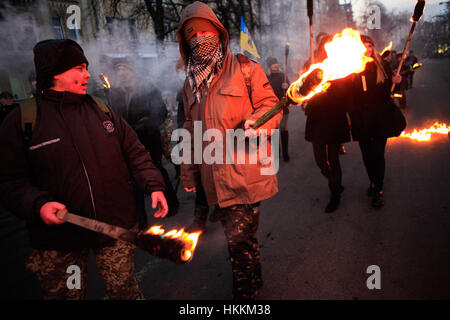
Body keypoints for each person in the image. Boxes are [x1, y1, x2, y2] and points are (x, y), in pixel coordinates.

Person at [0, 39, 168, 300]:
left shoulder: (102, 112)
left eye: (86, 67)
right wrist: (38, 204)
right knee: (70, 296)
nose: (87, 74)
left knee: (125, 292)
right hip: (61, 240)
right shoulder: (23, 122)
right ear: (55, 73)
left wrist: (153, 185)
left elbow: (135, 152)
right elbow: (9, 180)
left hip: (114, 228)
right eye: (79, 68)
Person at [177, 1, 281, 300]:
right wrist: (188, 173)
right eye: (192, 34)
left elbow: (271, 106)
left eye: (205, 31)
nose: (200, 38)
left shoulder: (245, 67)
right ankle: (255, 280)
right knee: (242, 241)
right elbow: (191, 132)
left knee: (238, 242)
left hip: (245, 172)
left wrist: (255, 123)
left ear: (218, 32)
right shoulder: (190, 84)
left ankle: (245, 296)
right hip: (213, 179)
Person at [109, 59, 179, 226]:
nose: (121, 73)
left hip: (147, 139)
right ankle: (140, 220)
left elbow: (161, 113)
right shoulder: (115, 92)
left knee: (156, 170)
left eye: (125, 69)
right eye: (118, 70)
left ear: (133, 71)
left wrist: (146, 125)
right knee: (131, 181)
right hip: (125, 142)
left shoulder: (147, 89)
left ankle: (171, 204)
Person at [348, 35, 402, 208]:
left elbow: (389, 90)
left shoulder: (382, 65)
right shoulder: (350, 68)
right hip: (361, 119)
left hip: (380, 117)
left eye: (370, 45)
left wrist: (397, 83)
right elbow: (348, 95)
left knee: (378, 154)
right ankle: (372, 181)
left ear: (373, 47)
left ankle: (378, 188)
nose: (367, 49)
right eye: (364, 46)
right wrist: (352, 114)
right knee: (367, 156)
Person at [303, 33, 351, 213]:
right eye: (321, 43)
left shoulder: (341, 63)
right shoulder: (312, 62)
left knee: (333, 158)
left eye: (327, 43)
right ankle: (334, 181)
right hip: (316, 118)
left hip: (334, 117)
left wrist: (329, 85)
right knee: (320, 160)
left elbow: (345, 90)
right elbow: (302, 86)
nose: (324, 46)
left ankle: (335, 193)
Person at [266, 56, 291, 161]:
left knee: (283, 130)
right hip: (271, 108)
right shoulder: (266, 77)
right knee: (274, 131)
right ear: (269, 66)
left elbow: (290, 91)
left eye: (276, 63)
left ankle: (285, 153)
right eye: (272, 63)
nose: (275, 65)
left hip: (283, 107)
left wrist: (286, 87)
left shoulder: (283, 76)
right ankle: (277, 153)